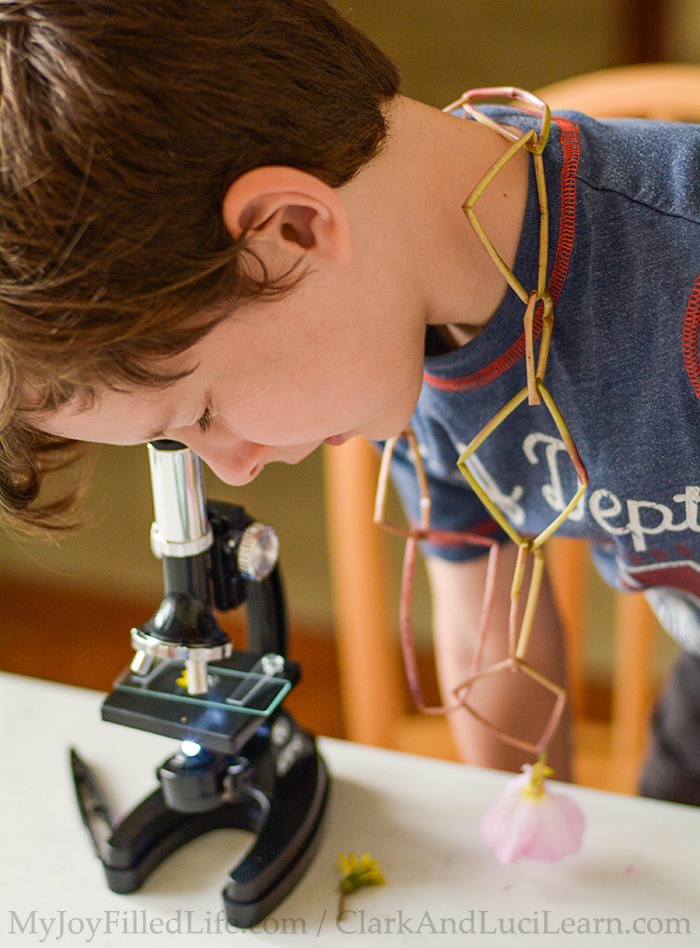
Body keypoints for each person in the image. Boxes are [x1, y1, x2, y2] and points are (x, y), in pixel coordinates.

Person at [2, 0, 700, 802]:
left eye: (203, 414)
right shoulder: (393, 310)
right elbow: (490, 638)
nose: (237, 466)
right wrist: (538, 850)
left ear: (293, 229)